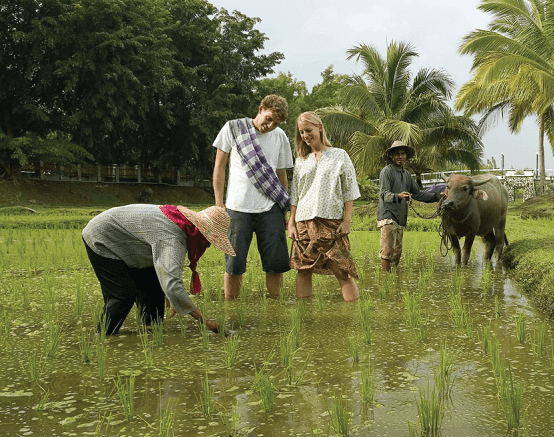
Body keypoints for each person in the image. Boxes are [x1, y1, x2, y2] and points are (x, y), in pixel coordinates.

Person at [82, 204, 235, 335]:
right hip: (102, 237)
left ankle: (150, 331)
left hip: (132, 243)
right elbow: (173, 285)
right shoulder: (173, 238)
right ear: (200, 234)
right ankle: (103, 335)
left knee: (154, 290)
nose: (207, 246)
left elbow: (166, 274)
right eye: (208, 242)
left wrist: (169, 291)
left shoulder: (181, 221)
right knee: (123, 295)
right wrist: (204, 320)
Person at [212, 95, 292, 300]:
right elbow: (219, 167)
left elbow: (281, 174)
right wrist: (219, 204)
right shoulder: (234, 128)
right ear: (261, 109)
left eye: (276, 123)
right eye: (269, 119)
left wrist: (284, 208)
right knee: (234, 266)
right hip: (237, 209)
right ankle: (231, 310)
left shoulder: (280, 136)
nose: (270, 126)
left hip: (270, 209)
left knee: (275, 265)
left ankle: (277, 311)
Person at [288, 111, 361, 301]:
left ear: (320, 127)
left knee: (342, 271)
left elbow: (349, 190)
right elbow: (295, 194)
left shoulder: (340, 156)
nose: (305, 136)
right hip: (304, 222)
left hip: (332, 223)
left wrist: (347, 220)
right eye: (301, 132)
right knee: (303, 271)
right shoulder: (301, 160)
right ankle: (304, 319)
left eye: (308, 130)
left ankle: (355, 316)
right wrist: (291, 223)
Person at [378, 141, 442, 272]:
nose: (400, 157)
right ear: (392, 156)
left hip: (401, 217)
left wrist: (438, 196)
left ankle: (393, 280)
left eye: (403, 154)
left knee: (397, 252)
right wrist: (399, 196)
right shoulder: (387, 172)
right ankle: (385, 279)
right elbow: (384, 194)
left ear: (406, 156)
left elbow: (418, 194)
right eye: (397, 154)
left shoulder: (407, 175)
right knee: (388, 250)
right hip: (388, 215)